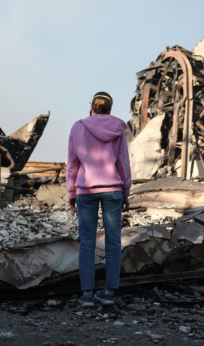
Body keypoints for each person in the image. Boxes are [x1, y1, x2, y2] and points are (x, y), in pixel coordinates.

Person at [67, 91, 131, 307]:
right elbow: (123, 162)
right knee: (113, 242)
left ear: (92, 107)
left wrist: (71, 192)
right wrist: (126, 191)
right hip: (113, 189)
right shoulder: (118, 128)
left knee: (87, 242)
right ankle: (108, 292)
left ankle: (86, 295)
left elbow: (72, 163)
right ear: (110, 109)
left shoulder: (78, 127)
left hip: (85, 190)